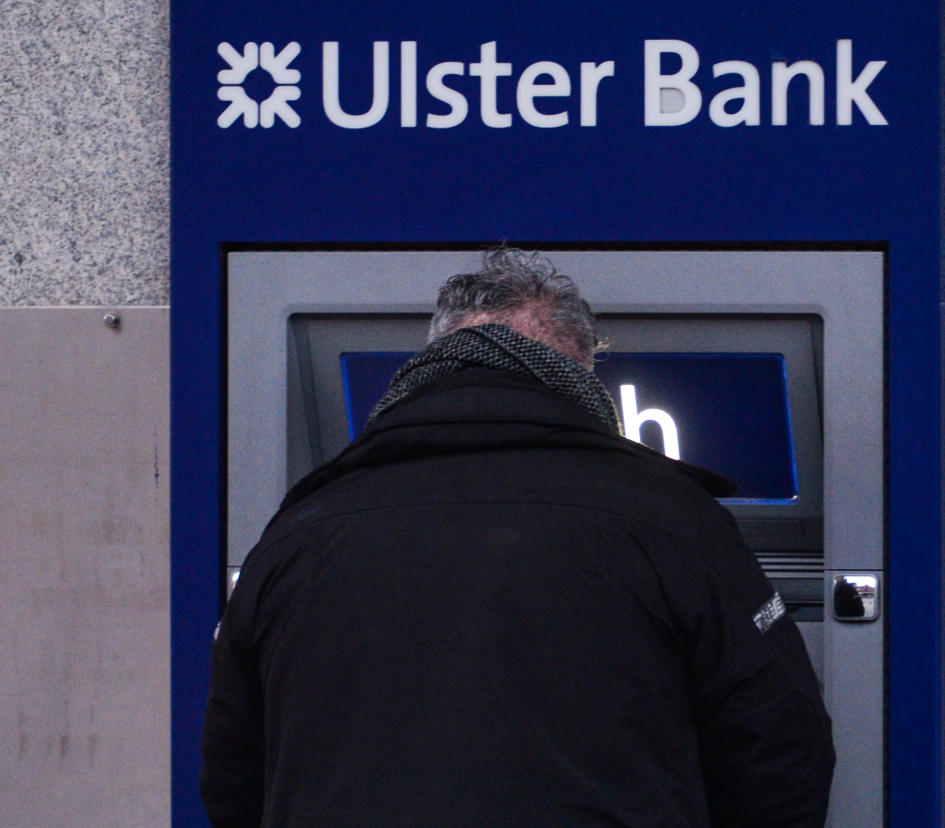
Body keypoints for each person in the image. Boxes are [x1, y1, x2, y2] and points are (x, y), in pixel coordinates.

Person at [200, 247, 835, 826]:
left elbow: (232, 771)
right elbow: (780, 749)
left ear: (432, 360)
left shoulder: (298, 532)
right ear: (580, 372)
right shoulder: (673, 517)